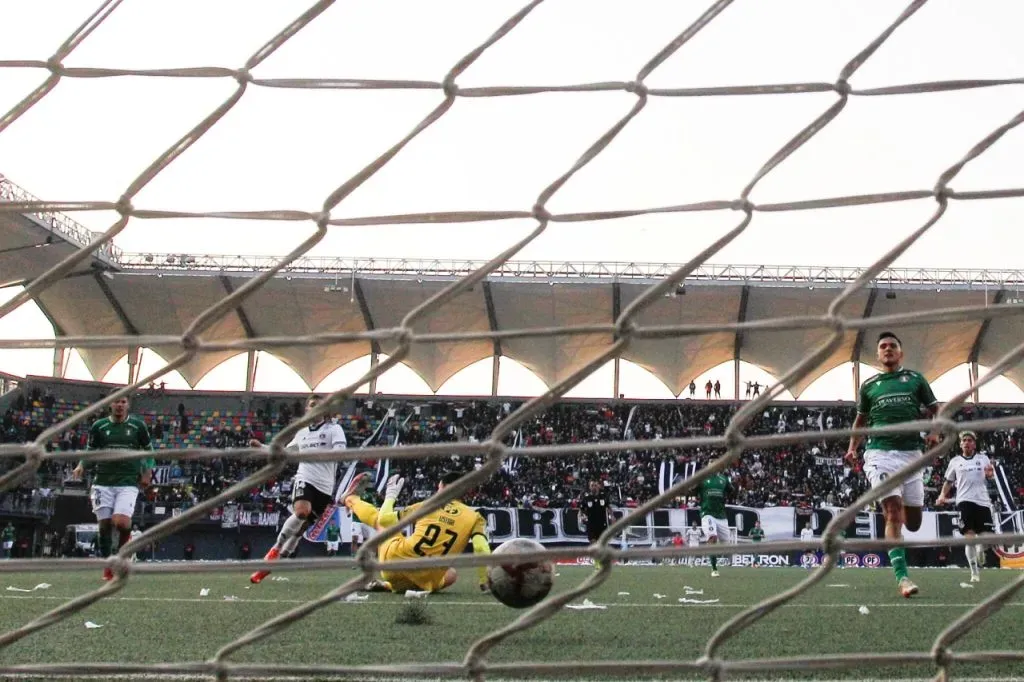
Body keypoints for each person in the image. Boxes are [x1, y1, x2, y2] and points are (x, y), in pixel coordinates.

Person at [846, 331, 939, 599]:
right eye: (883, 346)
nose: (887, 349)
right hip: (880, 454)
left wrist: (934, 431)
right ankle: (903, 578)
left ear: (901, 353)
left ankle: (899, 520)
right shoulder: (869, 385)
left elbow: (936, 409)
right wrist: (852, 448)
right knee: (893, 513)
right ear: (877, 354)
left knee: (914, 523)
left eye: (892, 346)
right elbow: (860, 422)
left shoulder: (915, 380)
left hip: (912, 456)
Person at [249, 394, 349, 585]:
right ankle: (274, 552)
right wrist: (263, 448)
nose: (314, 408)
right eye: (311, 405)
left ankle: (274, 563)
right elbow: (285, 453)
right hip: (305, 477)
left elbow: (340, 452)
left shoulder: (334, 429)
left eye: (318, 406)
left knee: (300, 530)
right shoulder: (302, 432)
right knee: (302, 512)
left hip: (325, 486)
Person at [345, 472, 492, 594]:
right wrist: (484, 582)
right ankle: (390, 586)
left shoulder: (427, 505)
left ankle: (349, 498)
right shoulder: (475, 517)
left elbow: (384, 519)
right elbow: (481, 549)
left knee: (380, 523)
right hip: (427, 579)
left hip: (393, 565)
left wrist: (391, 496)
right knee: (452, 574)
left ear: (442, 486)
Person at [72, 392, 154, 581]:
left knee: (121, 523)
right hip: (103, 482)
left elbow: (148, 450)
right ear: (110, 404)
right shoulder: (99, 427)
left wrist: (147, 471)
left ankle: (125, 550)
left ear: (128, 405)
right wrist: (81, 465)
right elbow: (91, 451)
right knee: (104, 527)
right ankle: (108, 569)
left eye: (123, 402)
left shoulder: (137, 426)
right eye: (116, 402)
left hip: (127, 482)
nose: (119, 405)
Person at [936, 431, 995, 583]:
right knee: (969, 537)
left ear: (974, 444)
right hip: (964, 501)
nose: (967, 442)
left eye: (970, 440)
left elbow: (990, 476)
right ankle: (974, 572)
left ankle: (981, 549)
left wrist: (990, 475)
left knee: (986, 539)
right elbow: (949, 481)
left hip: (983, 501)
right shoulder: (955, 461)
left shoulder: (983, 458)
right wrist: (942, 495)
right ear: (961, 444)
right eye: (964, 440)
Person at [698, 465, 734, 577]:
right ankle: (714, 569)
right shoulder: (702, 478)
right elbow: (691, 491)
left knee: (726, 545)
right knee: (712, 538)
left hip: (721, 515)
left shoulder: (723, 479)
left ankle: (715, 553)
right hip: (707, 514)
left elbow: (732, 490)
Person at [581, 480, 614, 568]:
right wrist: (582, 516)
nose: (594, 487)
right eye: (592, 485)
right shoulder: (586, 498)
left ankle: (603, 560)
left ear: (598, 486)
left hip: (602, 524)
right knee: (593, 543)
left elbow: (609, 507)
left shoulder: (603, 496)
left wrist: (612, 517)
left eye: (595, 485)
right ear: (589, 487)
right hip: (591, 524)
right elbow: (581, 509)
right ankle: (597, 563)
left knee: (602, 543)